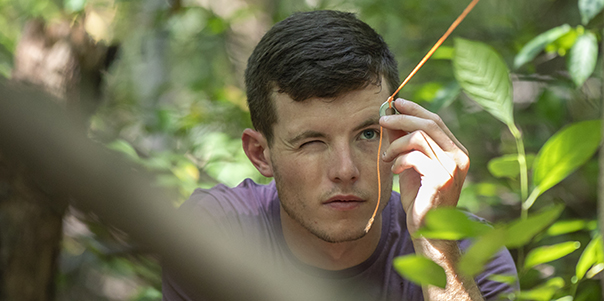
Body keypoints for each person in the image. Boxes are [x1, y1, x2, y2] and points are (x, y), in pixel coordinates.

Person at [162, 10, 517, 301]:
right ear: (260, 154)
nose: (345, 170)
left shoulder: (471, 253)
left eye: (368, 134)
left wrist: (438, 246)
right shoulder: (214, 233)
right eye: (311, 142)